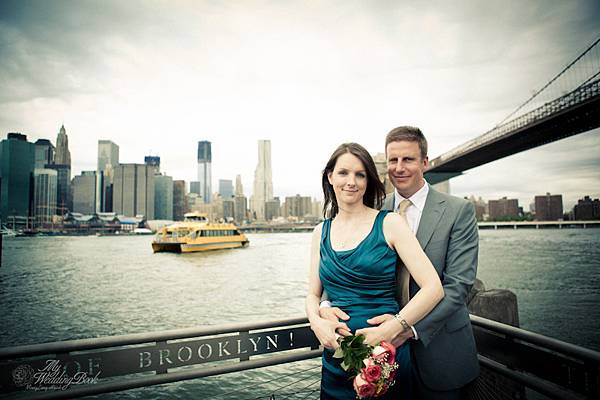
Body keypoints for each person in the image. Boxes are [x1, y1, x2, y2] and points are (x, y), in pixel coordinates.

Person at [321, 127, 480, 399]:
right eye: (392, 160)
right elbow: (347, 268)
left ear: (425, 163)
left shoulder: (458, 211)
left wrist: (403, 329)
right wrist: (324, 306)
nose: (399, 168)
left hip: (439, 349)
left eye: (408, 159)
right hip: (377, 352)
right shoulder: (376, 211)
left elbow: (458, 286)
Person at [306, 142, 444, 399]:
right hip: (335, 357)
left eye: (360, 174)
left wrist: (392, 329)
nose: (352, 182)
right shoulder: (319, 232)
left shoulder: (390, 223)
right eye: (344, 173)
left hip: (384, 355)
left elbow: (433, 288)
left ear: (368, 181)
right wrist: (317, 324)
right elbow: (313, 295)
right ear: (330, 176)